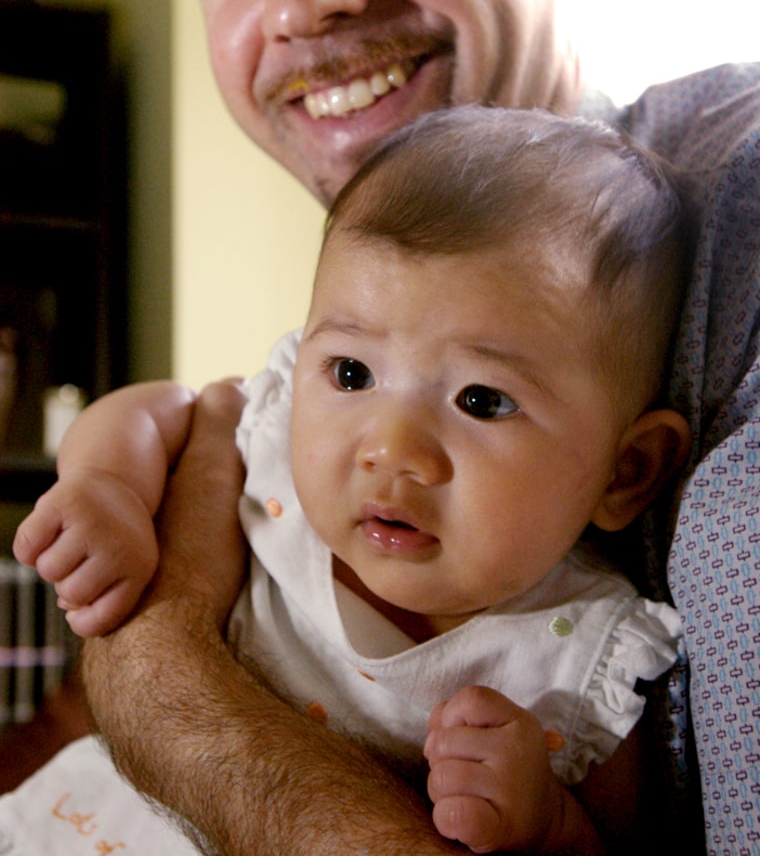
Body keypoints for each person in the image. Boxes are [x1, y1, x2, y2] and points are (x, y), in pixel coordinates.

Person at [3, 0, 759, 852]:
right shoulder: (311, 398)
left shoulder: (727, 190)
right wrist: (109, 497)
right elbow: (170, 421)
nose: (302, 2)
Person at [11, 108, 693, 854]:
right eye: (352, 372)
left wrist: (550, 822)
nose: (391, 448)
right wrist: (109, 482)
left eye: (482, 400)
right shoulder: (269, 453)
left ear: (626, 471)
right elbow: (166, 407)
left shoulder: (578, 665)